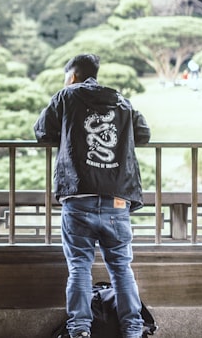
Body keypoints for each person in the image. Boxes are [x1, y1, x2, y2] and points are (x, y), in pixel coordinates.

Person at [33, 53, 151, 338]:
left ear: (72, 76)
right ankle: (133, 330)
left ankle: (80, 331)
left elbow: (41, 132)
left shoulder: (66, 96)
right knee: (121, 268)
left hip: (78, 196)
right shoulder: (121, 100)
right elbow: (144, 134)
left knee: (79, 268)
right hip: (117, 199)